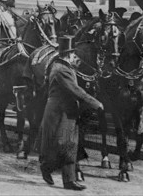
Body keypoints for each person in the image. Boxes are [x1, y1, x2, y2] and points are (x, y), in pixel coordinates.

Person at [39, 35, 104, 191]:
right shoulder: (61, 70)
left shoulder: (64, 67)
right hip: (59, 112)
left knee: (69, 145)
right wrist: (96, 103)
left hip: (66, 111)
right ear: (68, 55)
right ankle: (49, 169)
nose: (76, 58)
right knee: (63, 145)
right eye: (74, 55)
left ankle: (67, 180)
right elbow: (75, 90)